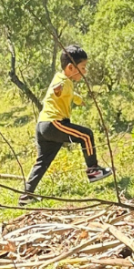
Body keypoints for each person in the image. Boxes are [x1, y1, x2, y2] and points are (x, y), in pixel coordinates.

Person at [19, 45, 112, 205]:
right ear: (70, 67)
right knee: (86, 135)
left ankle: (26, 194)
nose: (85, 71)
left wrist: (78, 99)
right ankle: (94, 170)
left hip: (42, 125)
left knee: (43, 161)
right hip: (54, 123)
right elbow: (59, 91)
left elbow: (68, 94)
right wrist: (61, 91)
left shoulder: (61, 79)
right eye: (82, 68)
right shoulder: (62, 82)